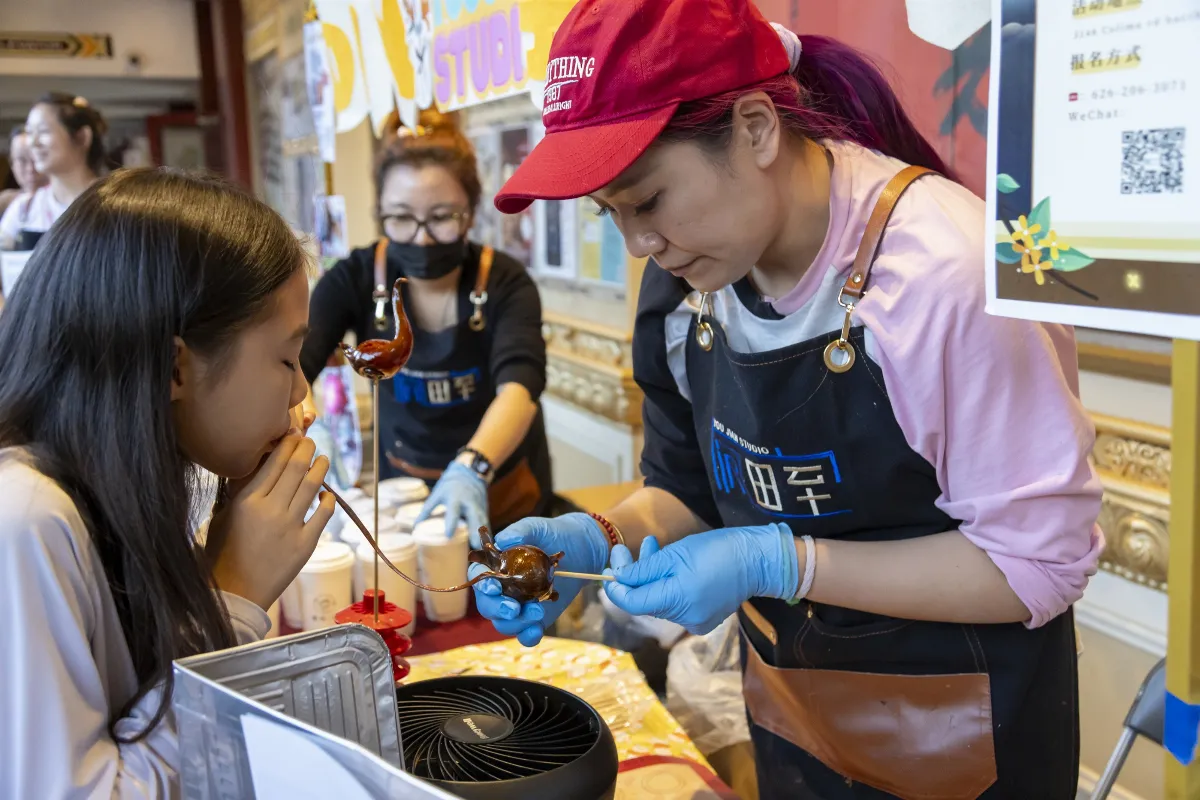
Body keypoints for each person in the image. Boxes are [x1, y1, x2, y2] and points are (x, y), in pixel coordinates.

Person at [472, 2, 1103, 797]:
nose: (638, 245)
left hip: (966, 737)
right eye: (611, 213)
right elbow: (687, 491)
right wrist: (596, 539)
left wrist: (780, 562)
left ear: (756, 128)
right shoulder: (689, 281)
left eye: (648, 199)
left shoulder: (943, 276)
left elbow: (1032, 566)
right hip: (793, 720)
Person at [0, 168, 335, 797]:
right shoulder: (27, 519)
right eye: (286, 359)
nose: (300, 395)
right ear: (173, 365)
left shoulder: (122, 489)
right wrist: (235, 597)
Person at [300, 109, 551, 544]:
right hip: (401, 493)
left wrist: (472, 467)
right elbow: (293, 364)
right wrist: (309, 427)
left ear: (470, 213)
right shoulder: (355, 278)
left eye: (441, 217)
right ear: (380, 212)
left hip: (499, 487)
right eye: (401, 217)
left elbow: (520, 387)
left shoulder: (505, 281)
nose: (421, 237)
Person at [0, 93, 106, 251]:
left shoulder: (114, 205)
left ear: (82, 137)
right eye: (30, 132)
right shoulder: (25, 208)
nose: (33, 143)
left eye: (43, 131)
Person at [0, 125, 47, 221]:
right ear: (11, 164)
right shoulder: (5, 204)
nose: (31, 169)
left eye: (37, 158)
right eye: (22, 160)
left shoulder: (70, 204)